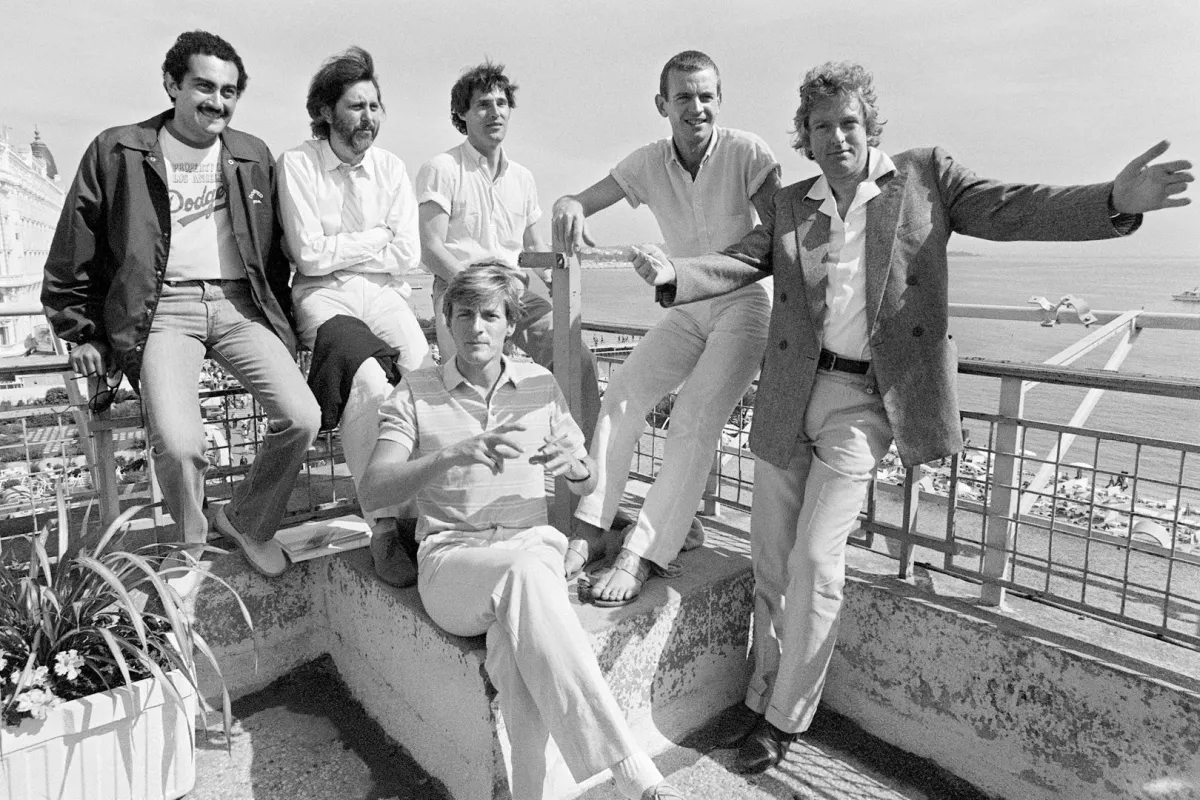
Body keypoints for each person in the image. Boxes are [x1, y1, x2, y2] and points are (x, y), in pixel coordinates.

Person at [630, 61, 1193, 774]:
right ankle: (759, 694)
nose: (837, 137)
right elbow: (742, 260)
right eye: (822, 125)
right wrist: (676, 277)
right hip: (787, 393)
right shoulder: (792, 204)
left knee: (814, 558)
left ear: (871, 127)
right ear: (804, 135)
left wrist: (1113, 199)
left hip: (862, 405)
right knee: (771, 562)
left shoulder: (926, 177)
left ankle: (784, 719)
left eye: (850, 123)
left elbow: (1015, 208)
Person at [360, 265, 684, 800]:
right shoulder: (415, 392)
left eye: (491, 315)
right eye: (464, 314)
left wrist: (576, 467)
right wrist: (451, 455)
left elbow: (589, 482)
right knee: (528, 571)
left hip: (530, 550)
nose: (477, 327)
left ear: (510, 324)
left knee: (515, 662)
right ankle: (631, 770)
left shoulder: (539, 384)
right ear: (446, 320)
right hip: (452, 561)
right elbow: (374, 489)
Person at [41, 30, 321, 579]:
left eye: (230, 91)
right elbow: (76, 243)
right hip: (161, 308)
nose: (218, 101)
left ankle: (246, 520)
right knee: (178, 439)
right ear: (171, 84)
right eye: (204, 86)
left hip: (240, 305)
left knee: (302, 417)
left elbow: (271, 250)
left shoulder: (251, 154)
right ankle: (190, 544)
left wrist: (290, 324)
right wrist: (81, 330)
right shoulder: (119, 149)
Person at [551, 50, 781, 606]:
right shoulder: (649, 162)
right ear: (663, 104)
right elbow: (581, 198)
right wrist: (567, 206)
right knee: (623, 397)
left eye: (706, 96)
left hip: (743, 304)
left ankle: (644, 553)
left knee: (693, 419)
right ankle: (591, 527)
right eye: (683, 97)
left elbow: (779, 236)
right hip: (683, 307)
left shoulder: (749, 153)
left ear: (719, 101)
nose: (696, 107)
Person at [414, 61, 600, 441]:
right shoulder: (443, 168)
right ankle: (460, 478)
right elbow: (430, 248)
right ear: (461, 115)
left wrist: (561, 280)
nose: (494, 112)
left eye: (501, 103)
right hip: (460, 290)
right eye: (483, 104)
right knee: (464, 385)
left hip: (515, 292)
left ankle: (586, 464)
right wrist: (477, 284)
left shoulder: (523, 177)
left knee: (577, 360)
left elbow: (535, 247)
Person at [277, 46, 429, 371]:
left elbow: (407, 255)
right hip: (324, 295)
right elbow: (309, 257)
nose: (369, 117)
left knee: (423, 372)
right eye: (357, 106)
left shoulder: (391, 168)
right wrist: (379, 235)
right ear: (326, 112)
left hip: (384, 294)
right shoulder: (298, 164)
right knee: (367, 377)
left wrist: (336, 252)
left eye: (374, 107)